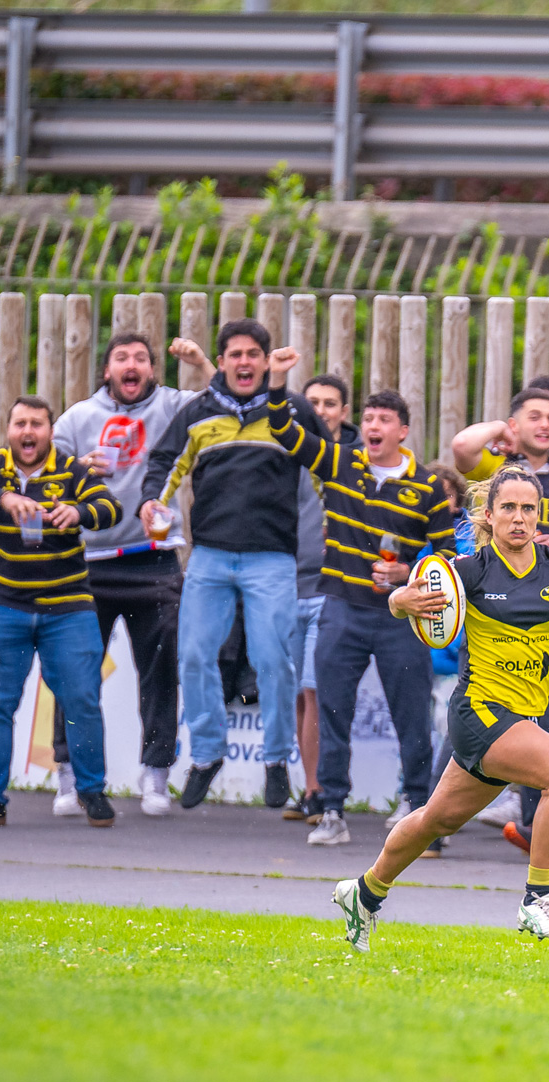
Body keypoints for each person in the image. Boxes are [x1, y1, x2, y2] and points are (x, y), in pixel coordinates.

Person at [331, 469, 549, 949]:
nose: (518, 517)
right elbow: (405, 598)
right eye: (507, 507)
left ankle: (364, 891)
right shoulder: (467, 571)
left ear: (540, 515)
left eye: (528, 508)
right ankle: (537, 898)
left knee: (436, 820)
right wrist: (398, 599)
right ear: (488, 516)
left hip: (519, 719)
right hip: (479, 712)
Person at [139, 321, 324, 811]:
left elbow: (332, 466)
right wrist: (149, 503)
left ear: (267, 361)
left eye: (253, 354)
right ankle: (206, 756)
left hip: (273, 559)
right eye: (235, 354)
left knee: (272, 661)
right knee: (195, 656)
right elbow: (163, 464)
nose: (244, 362)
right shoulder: (197, 413)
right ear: (220, 362)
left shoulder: (293, 409)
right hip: (210, 557)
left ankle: (276, 760)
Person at [269, 386, 454, 849]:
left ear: (403, 431)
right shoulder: (339, 461)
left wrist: (406, 571)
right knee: (332, 710)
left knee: (412, 716)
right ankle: (331, 810)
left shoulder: (428, 486)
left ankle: (419, 811)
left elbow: (451, 556)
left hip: (401, 617)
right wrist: (276, 384)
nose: (373, 427)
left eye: (385, 420)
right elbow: (282, 431)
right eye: (369, 418)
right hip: (341, 608)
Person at [48, 333, 209, 818]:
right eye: (122, 358)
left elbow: (223, 396)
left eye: (141, 358)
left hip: (153, 557)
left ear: (153, 369)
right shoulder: (76, 418)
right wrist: (75, 469)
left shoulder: (174, 407)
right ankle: (68, 774)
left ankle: (155, 773)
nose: (132, 365)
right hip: (86, 561)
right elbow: (38, 475)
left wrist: (200, 361)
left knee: (159, 672)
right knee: (76, 672)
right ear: (107, 371)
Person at [0, 396, 121, 828]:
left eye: (37, 425)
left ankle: (92, 792)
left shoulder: (72, 469)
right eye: (20, 424)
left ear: (50, 431)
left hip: (68, 606)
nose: (28, 432)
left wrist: (78, 509)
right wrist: (2, 497)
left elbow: (110, 508)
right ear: (9, 431)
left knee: (82, 700)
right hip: (2, 604)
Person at [451, 388, 549, 851]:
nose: (545, 425)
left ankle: (536, 827)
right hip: (497, 606)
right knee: (482, 710)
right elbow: (461, 450)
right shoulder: (502, 469)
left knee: (539, 718)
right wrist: (501, 432)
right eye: (533, 417)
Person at [286, 373, 359, 822]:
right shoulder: (288, 456)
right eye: (312, 402)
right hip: (286, 585)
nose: (321, 410)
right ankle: (310, 786)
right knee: (298, 695)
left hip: (332, 589)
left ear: (343, 412)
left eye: (330, 403)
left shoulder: (358, 458)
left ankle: (320, 790)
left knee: (315, 692)